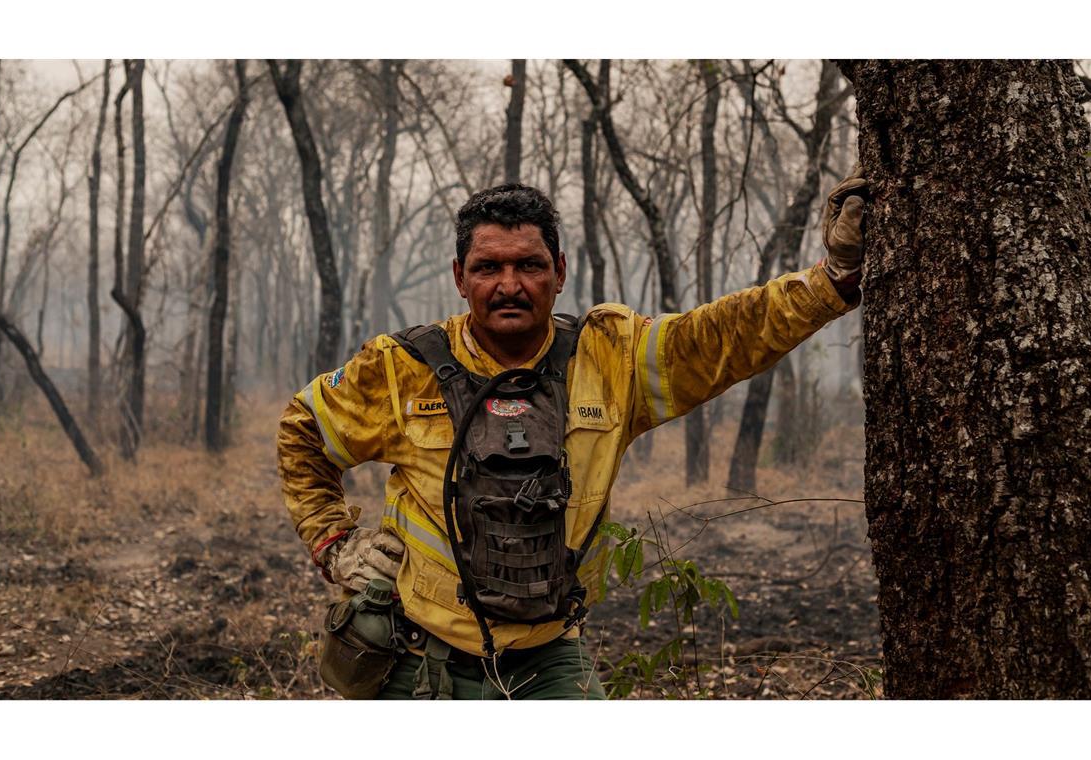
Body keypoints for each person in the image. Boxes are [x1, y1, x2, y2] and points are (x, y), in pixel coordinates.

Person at [278, 171, 866, 699]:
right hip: (417, 656)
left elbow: (720, 337)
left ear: (559, 271)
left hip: (550, 659)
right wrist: (336, 545)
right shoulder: (403, 366)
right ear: (460, 278)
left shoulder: (610, 357)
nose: (509, 285)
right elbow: (302, 429)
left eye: (529, 265)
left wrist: (832, 280)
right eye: (488, 268)